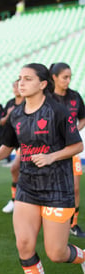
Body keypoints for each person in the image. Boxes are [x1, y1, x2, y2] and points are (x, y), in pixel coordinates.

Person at [0, 63, 85, 274]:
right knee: (24, 246)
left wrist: (51, 157)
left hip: (57, 188)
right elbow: (8, 145)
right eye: (20, 78)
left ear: (43, 84)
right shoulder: (16, 114)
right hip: (27, 186)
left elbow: (77, 145)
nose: (21, 83)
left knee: (56, 253)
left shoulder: (58, 111)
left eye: (28, 78)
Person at [50, 62, 85, 237]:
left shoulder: (76, 97)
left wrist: (72, 133)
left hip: (72, 151)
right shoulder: (46, 98)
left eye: (70, 77)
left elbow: (83, 119)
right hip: (52, 152)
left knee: (75, 188)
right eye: (65, 77)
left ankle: (74, 223)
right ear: (54, 77)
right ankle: (53, 224)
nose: (68, 80)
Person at [0, 80, 24, 213]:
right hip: (12, 140)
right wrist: (9, 114)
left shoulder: (28, 102)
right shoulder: (10, 103)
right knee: (17, 170)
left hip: (26, 142)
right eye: (14, 86)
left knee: (15, 168)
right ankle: (15, 199)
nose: (16, 88)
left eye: (18, 85)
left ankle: (17, 200)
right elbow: (2, 121)